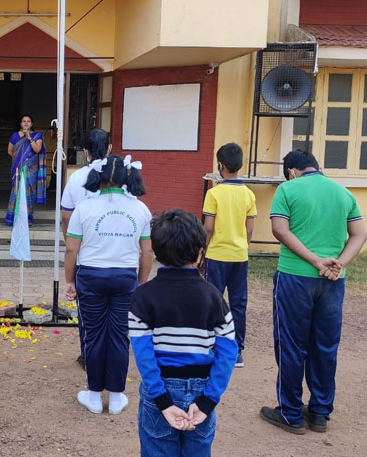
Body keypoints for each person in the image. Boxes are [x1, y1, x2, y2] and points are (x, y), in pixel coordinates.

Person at [260, 150, 366, 434]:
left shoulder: (288, 189)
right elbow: (359, 234)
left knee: (291, 344)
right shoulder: (343, 194)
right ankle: (319, 413)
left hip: (295, 277)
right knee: (325, 346)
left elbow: (280, 230)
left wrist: (314, 260)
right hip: (333, 280)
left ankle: (291, 413)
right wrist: (338, 263)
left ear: (292, 171)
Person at [129, 209, 237, 457]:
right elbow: (228, 351)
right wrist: (209, 400)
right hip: (202, 389)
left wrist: (163, 402)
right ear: (201, 252)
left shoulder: (143, 297)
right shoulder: (214, 297)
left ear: (155, 252)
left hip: (160, 390)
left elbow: (143, 356)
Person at [64, 154, 153, 415]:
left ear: (99, 176)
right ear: (127, 177)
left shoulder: (84, 207)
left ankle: (93, 395)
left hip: (90, 277)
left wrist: (70, 280)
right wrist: (141, 283)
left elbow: (71, 250)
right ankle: (115, 397)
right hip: (125, 278)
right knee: (118, 336)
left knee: (93, 334)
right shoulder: (140, 209)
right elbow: (147, 253)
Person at [202, 142, 257, 368]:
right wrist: (243, 246)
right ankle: (237, 351)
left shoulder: (213, 193)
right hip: (239, 256)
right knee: (238, 303)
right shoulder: (249, 194)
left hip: (216, 255)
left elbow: (208, 228)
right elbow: (250, 228)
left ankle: (212, 344)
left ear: (220, 165)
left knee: (213, 301)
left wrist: (202, 252)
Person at [61, 128, 110, 369]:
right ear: (109, 149)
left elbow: (66, 216)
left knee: (88, 310)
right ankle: (113, 355)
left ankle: (88, 355)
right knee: (115, 310)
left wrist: (71, 244)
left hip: (85, 252)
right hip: (117, 253)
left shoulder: (77, 178)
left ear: (84, 152)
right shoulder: (119, 175)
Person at [6, 114, 46, 226]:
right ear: (20, 124)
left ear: (32, 124)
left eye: (28, 121)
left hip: (31, 170)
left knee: (29, 194)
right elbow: (10, 151)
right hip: (18, 169)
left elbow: (37, 150)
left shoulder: (37, 136)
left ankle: (27, 218)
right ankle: (14, 217)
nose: (26, 123)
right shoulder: (15, 136)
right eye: (24, 121)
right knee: (17, 192)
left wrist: (29, 138)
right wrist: (19, 160)